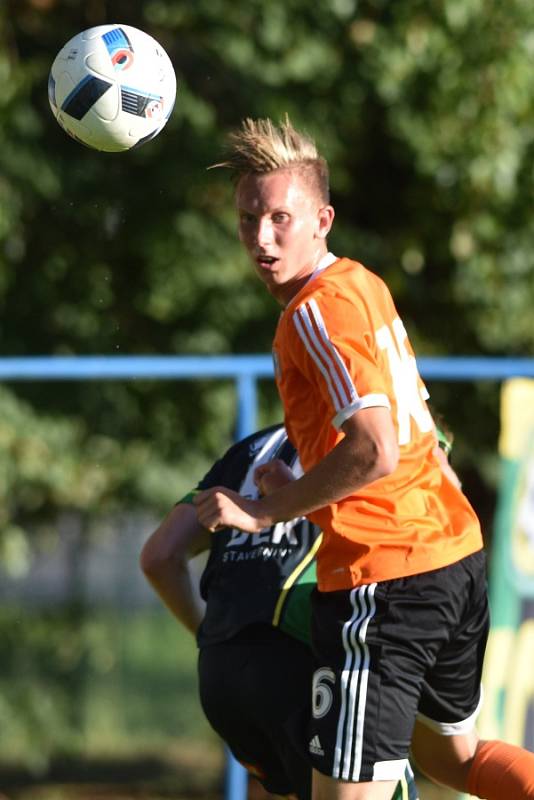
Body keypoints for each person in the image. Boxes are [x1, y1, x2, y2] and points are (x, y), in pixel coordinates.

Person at [193, 117, 534, 800]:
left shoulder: (314, 312)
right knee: (455, 762)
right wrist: (303, 483)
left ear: (322, 218)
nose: (262, 238)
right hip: (452, 554)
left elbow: (375, 448)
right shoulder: (362, 285)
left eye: (280, 218)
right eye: (248, 219)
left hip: (387, 582)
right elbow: (419, 437)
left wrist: (264, 511)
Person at [140, 423, 419, 800]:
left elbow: (158, 556)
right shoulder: (381, 440)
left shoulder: (252, 449)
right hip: (304, 654)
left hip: (221, 669)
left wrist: (204, 632)